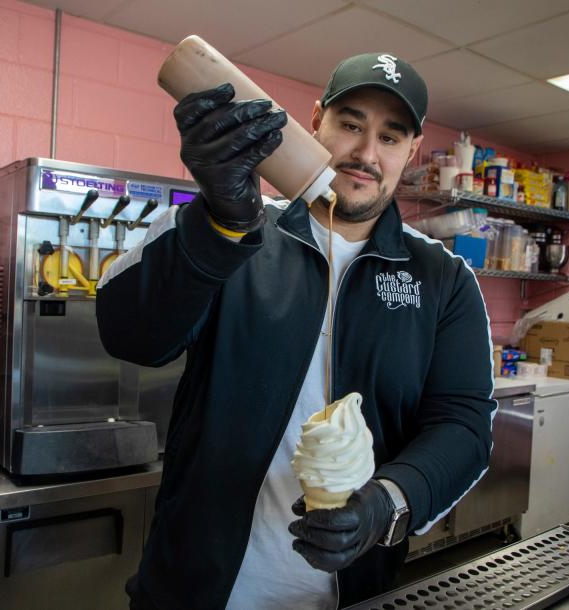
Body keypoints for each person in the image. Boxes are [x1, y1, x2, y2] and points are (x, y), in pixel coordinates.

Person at [96, 52, 496, 610]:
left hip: (352, 593)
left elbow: (465, 425)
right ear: (315, 121)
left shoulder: (443, 278)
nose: (365, 153)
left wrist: (388, 503)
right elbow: (130, 335)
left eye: (390, 136)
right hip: (195, 587)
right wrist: (217, 224)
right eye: (351, 124)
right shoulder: (232, 223)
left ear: (412, 151)